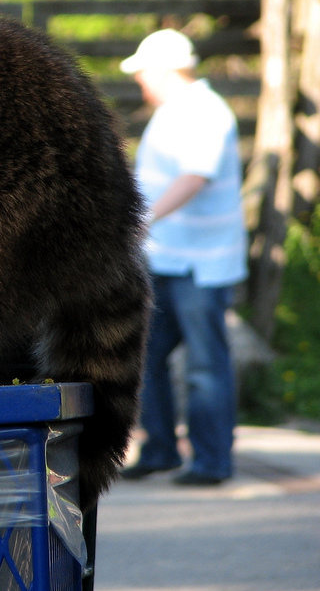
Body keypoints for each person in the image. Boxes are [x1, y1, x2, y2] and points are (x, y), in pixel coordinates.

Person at [119, 29, 249, 486]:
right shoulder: (173, 113)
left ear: (165, 70)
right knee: (147, 356)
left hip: (202, 263)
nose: (141, 83)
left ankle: (212, 461)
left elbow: (194, 176)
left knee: (204, 364)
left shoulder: (204, 112)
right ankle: (160, 449)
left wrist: (145, 218)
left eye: (143, 74)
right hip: (169, 259)